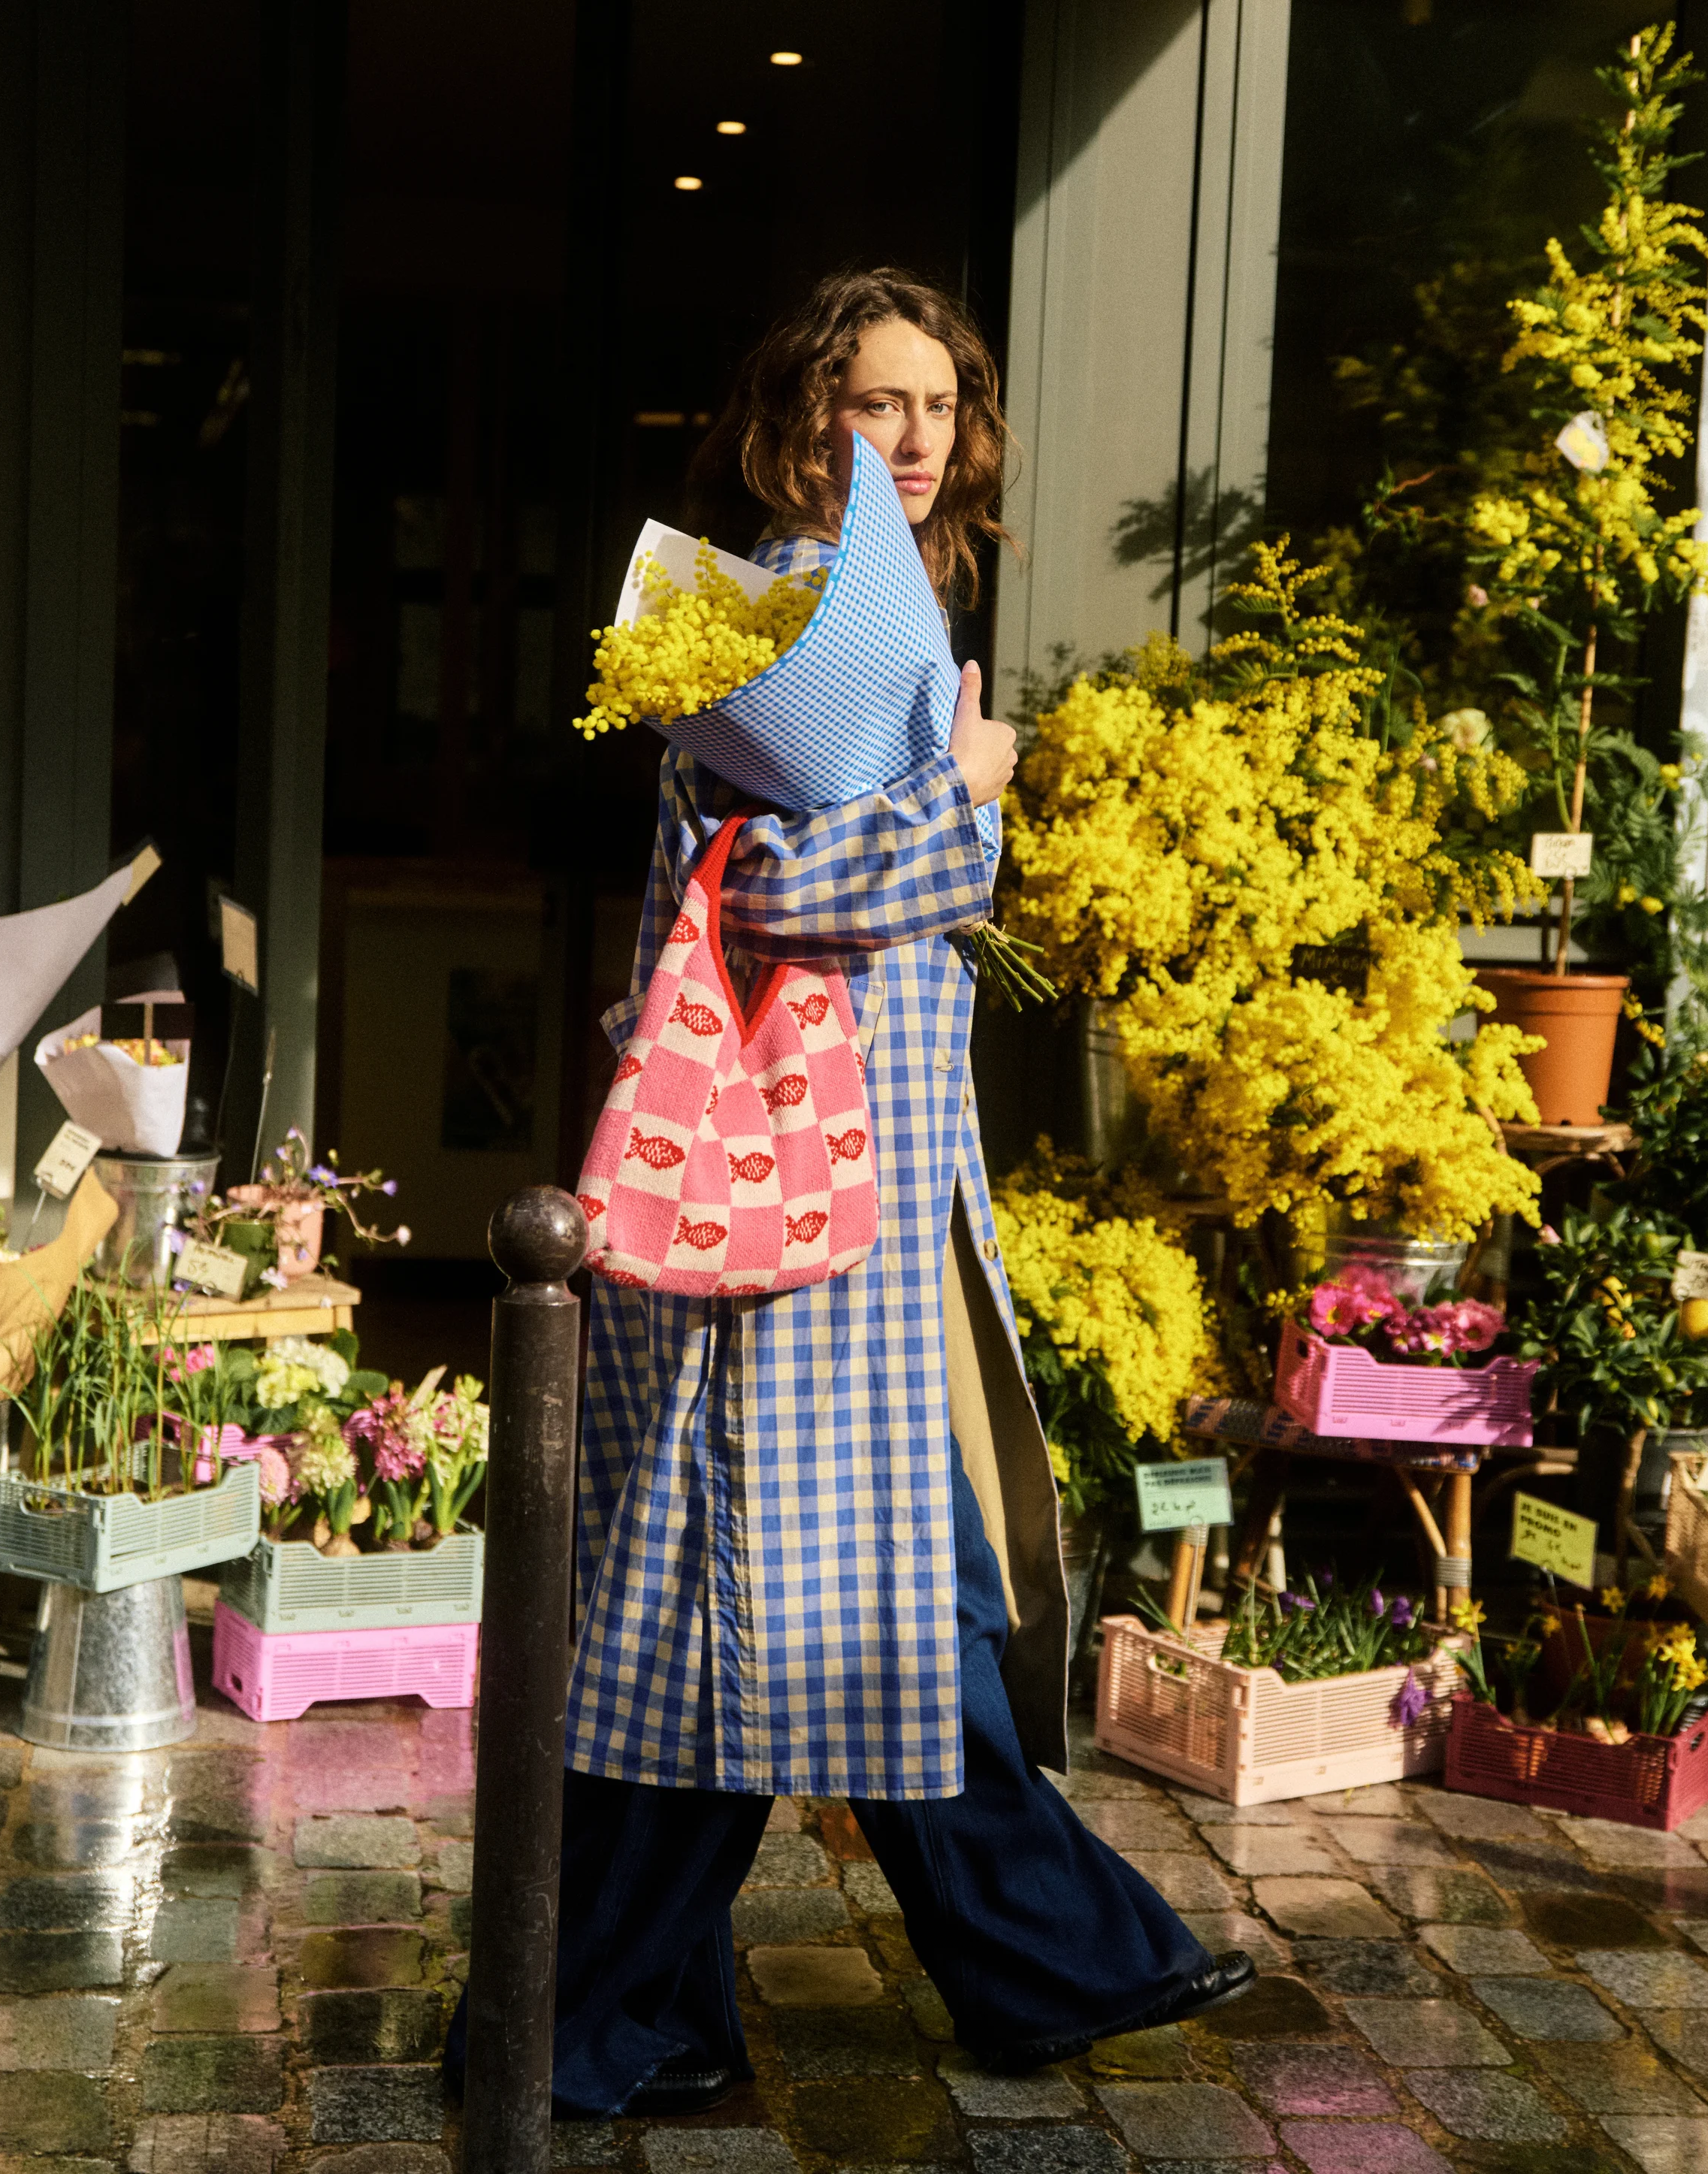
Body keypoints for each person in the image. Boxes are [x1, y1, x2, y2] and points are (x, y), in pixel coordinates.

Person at [447, 268, 1253, 2120]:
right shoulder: (763, 610)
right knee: (760, 1611)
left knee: (849, 1601)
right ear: (793, 424)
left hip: (855, 1194)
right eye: (865, 403)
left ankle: (651, 2005)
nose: (903, 436)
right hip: (779, 1209)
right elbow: (769, 880)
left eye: (932, 407)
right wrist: (968, 792)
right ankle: (595, 2014)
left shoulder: (867, 609)